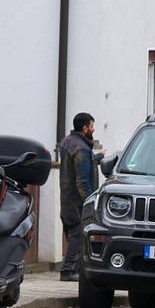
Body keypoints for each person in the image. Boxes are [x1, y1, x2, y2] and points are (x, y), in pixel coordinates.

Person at [57, 112, 102, 282]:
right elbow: (82, 180)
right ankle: (68, 270)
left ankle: (73, 267)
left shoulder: (68, 142)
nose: (93, 129)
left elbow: (79, 164)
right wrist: (90, 202)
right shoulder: (81, 147)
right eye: (92, 126)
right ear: (85, 128)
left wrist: (97, 157)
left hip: (66, 198)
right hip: (77, 201)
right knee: (77, 234)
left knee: (72, 233)